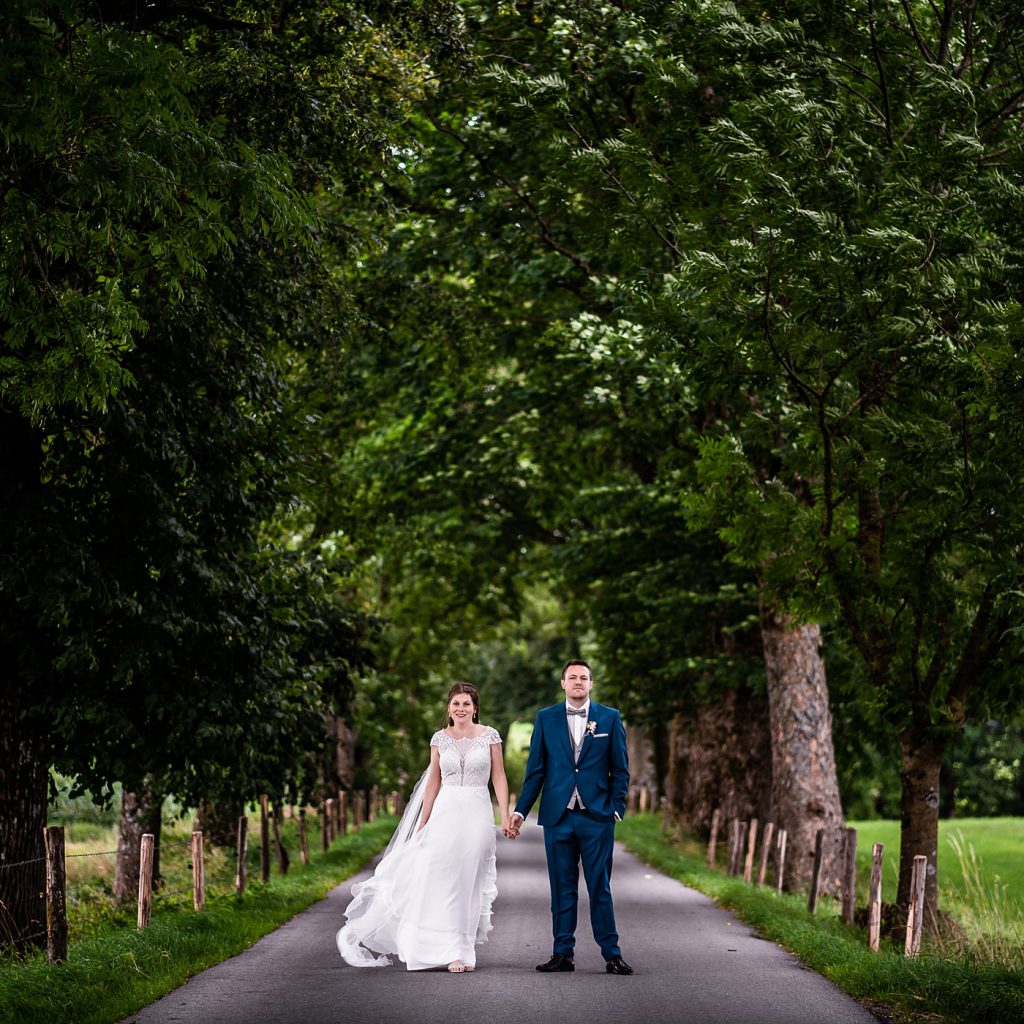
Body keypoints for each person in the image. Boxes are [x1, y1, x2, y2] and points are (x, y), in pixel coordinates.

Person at [336, 682, 512, 972]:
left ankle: (462, 949)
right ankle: (439, 947)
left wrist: (504, 814)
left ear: (475, 708)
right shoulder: (440, 739)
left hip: (478, 812)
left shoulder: (490, 736)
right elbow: (433, 782)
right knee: (443, 878)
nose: (461, 708)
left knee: (469, 880)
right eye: (455, 703)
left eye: (466, 703)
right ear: (448, 708)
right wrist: (424, 819)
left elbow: (500, 778)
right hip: (446, 811)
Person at [507, 660, 632, 975]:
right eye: (572, 677)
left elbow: (621, 769)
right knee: (561, 888)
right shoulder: (545, 719)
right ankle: (563, 953)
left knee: (599, 886)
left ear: (591, 683)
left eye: (584, 677)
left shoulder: (610, 718)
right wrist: (521, 810)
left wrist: (616, 806)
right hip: (558, 816)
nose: (578, 681)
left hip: (597, 816)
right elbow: (535, 771)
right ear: (563, 683)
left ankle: (612, 954)